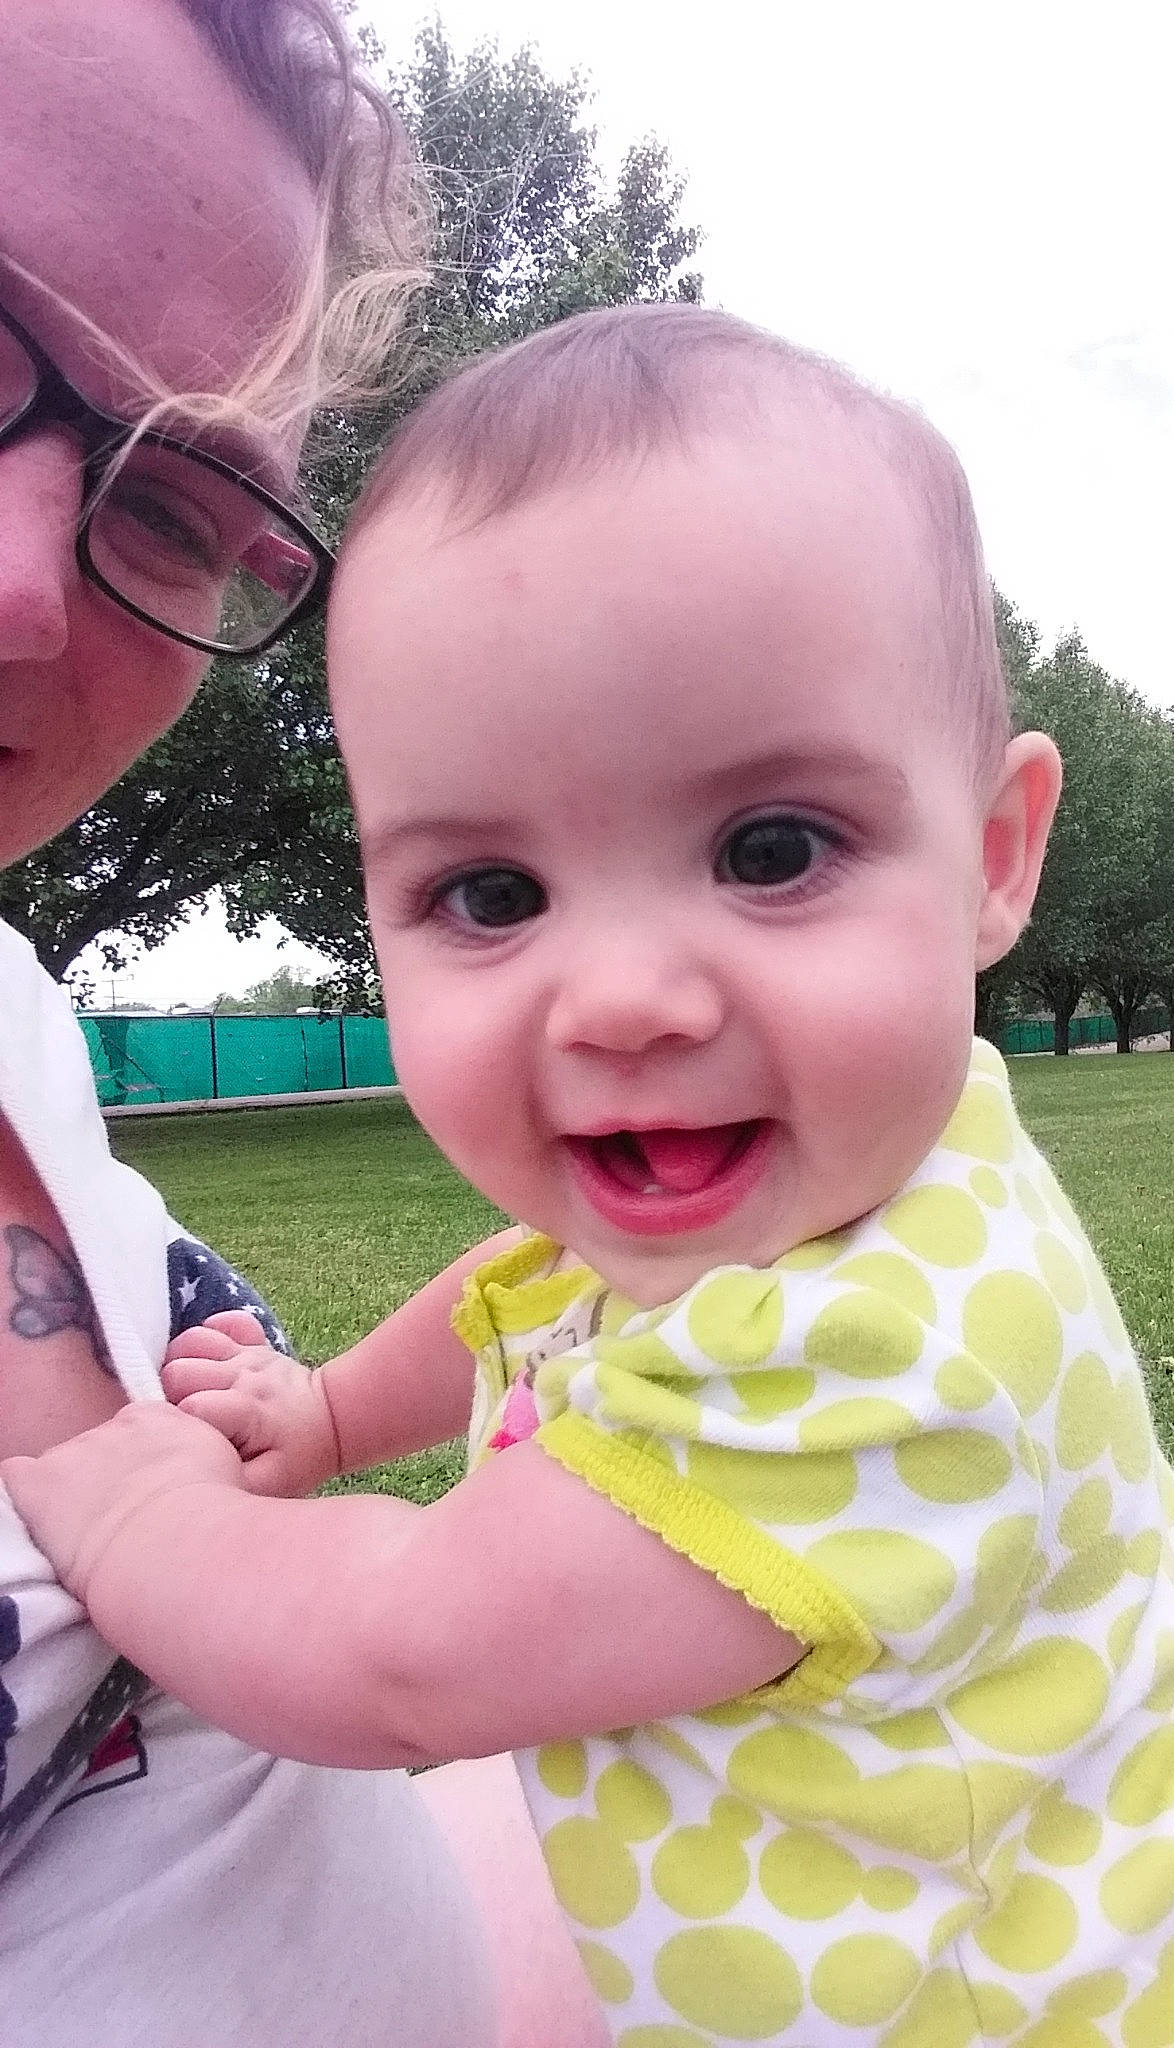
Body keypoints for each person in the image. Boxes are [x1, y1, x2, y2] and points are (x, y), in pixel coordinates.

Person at [3, 304, 1174, 2048]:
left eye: (771, 851)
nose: (624, 997)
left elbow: (399, 1649)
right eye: (490, 895)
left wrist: (131, 1514)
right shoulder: (879, 1177)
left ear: (996, 855)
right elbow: (535, 1273)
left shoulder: (876, 1376)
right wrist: (331, 1410)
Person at [0, 4, 601, 2043]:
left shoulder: (16, 1023)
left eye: (169, 505)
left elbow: (546, 1286)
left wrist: (301, 1412)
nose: (21, 588)